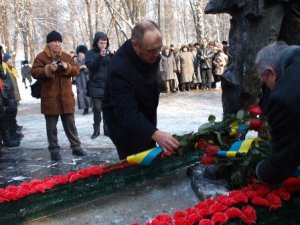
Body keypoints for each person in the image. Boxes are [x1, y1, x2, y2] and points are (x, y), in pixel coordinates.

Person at [102, 20, 180, 160]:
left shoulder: (150, 53)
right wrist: (154, 133)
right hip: (122, 124)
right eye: (151, 50)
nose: (157, 54)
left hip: (144, 113)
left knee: (149, 151)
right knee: (135, 160)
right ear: (135, 44)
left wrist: (152, 131)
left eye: (159, 48)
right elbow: (125, 112)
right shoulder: (119, 68)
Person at [31, 30, 87, 161]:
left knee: (71, 125)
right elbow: (34, 72)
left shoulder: (66, 56)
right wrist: (48, 68)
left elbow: (76, 70)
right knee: (51, 128)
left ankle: (76, 147)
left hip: (66, 98)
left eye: (58, 41)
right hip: (50, 99)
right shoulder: (41, 57)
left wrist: (66, 66)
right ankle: (54, 151)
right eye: (54, 41)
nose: (57, 44)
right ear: (48, 43)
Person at [254, 41, 300, 186]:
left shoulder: (285, 97)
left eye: (264, 80)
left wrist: (261, 172)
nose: (268, 88)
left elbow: (282, 162)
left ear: (272, 73)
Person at [85, 32, 112, 139]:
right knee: (97, 109)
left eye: (105, 43)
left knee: (107, 109)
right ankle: (96, 130)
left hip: (107, 86)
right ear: (96, 42)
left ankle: (107, 129)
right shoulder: (90, 53)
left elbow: (114, 67)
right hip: (95, 86)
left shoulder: (108, 53)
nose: (103, 45)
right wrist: (100, 56)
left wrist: (114, 56)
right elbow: (91, 66)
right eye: (101, 43)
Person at [74, 45, 92, 115]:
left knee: (90, 93)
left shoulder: (88, 60)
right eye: (79, 53)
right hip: (80, 80)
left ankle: (93, 106)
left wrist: (86, 68)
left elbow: (91, 69)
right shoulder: (76, 62)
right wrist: (78, 68)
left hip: (88, 79)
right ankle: (85, 108)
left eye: (82, 53)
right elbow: (73, 71)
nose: (80, 55)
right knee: (82, 94)